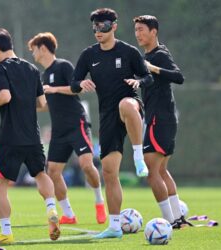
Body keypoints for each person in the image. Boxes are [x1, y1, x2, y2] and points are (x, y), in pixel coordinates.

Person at [0, 28, 60, 245]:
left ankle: (6, 233)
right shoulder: (32, 69)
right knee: (41, 174)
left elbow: (4, 96)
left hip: (10, 136)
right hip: (32, 135)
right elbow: (41, 104)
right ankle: (51, 209)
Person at [71, 8, 153, 239]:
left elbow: (148, 76)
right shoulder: (89, 55)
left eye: (104, 26)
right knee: (108, 172)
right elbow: (74, 82)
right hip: (107, 114)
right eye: (95, 27)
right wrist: (81, 84)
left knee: (126, 105)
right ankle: (115, 226)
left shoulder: (128, 51)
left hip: (131, 106)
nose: (98, 31)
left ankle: (138, 155)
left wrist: (138, 82)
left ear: (114, 26)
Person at [27, 32, 106, 225]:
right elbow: (46, 105)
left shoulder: (63, 66)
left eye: (33, 50)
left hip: (76, 123)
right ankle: (68, 214)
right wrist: (25, 103)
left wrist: (53, 89)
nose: (33, 55)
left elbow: (75, 88)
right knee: (53, 171)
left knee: (87, 165)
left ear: (43, 48)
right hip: (59, 130)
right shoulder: (44, 75)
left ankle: (99, 202)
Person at [133, 15, 192, 228]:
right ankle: (178, 219)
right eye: (136, 30)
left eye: (141, 29)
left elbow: (179, 77)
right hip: (159, 118)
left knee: (152, 171)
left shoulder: (159, 54)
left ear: (154, 31)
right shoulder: (147, 56)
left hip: (161, 119)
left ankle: (170, 221)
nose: (138, 34)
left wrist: (152, 68)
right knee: (161, 171)